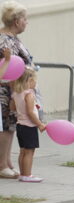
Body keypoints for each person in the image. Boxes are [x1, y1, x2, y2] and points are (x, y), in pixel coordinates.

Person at [0, 0, 32, 179]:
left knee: (10, 126)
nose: (27, 22)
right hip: (6, 91)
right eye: (25, 19)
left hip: (13, 91)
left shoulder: (11, 38)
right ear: (16, 20)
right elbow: (12, 67)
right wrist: (14, 94)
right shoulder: (5, 40)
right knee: (5, 126)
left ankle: (6, 162)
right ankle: (2, 165)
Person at [10, 67, 45, 182]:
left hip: (20, 125)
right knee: (29, 152)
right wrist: (39, 124)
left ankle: (22, 174)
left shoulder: (17, 93)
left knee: (23, 151)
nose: (35, 83)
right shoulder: (29, 94)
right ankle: (28, 175)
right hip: (29, 126)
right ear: (29, 81)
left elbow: (12, 107)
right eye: (34, 81)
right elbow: (30, 112)